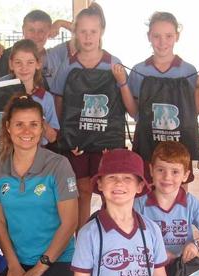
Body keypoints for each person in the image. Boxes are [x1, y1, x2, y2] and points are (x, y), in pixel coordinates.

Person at [0, 95, 78, 276]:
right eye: (19, 124)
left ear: (42, 127)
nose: (27, 131)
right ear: (8, 127)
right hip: (16, 258)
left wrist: (39, 268)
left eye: (34, 124)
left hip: (56, 260)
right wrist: (14, 264)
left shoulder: (58, 165)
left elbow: (70, 223)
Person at [51, 3, 128, 229]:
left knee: (109, 190)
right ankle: (83, 238)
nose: (87, 37)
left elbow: (124, 102)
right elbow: (58, 100)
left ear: (101, 31)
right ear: (75, 33)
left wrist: (113, 141)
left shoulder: (113, 63)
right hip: (78, 141)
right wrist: (65, 135)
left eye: (93, 31)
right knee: (82, 190)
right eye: (82, 31)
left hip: (106, 141)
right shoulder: (68, 65)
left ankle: (110, 235)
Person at [114, 11, 199, 185]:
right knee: (147, 190)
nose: (162, 42)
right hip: (148, 144)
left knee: (179, 193)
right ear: (149, 37)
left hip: (180, 145)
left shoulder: (188, 70)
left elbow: (193, 112)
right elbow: (134, 112)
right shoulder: (139, 70)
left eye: (168, 36)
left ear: (177, 36)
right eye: (156, 36)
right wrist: (123, 83)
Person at [134, 141, 199, 262]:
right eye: (160, 170)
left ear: (185, 175)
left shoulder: (190, 203)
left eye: (175, 172)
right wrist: (156, 251)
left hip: (181, 265)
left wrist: (196, 245)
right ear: (151, 170)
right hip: (150, 264)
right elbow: (128, 237)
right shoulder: (139, 203)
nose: (167, 177)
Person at [0, 9, 74, 88]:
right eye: (31, 30)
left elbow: (82, 36)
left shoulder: (56, 54)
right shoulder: (9, 57)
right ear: (23, 30)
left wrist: (61, 23)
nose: (36, 35)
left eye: (41, 31)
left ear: (49, 32)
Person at [5, 39, 59, 146]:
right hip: (9, 153)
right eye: (18, 62)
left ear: (38, 64)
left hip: (38, 154)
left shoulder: (46, 98)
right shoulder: (0, 93)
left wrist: (36, 117)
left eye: (30, 62)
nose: (24, 67)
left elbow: (52, 137)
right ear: (11, 64)